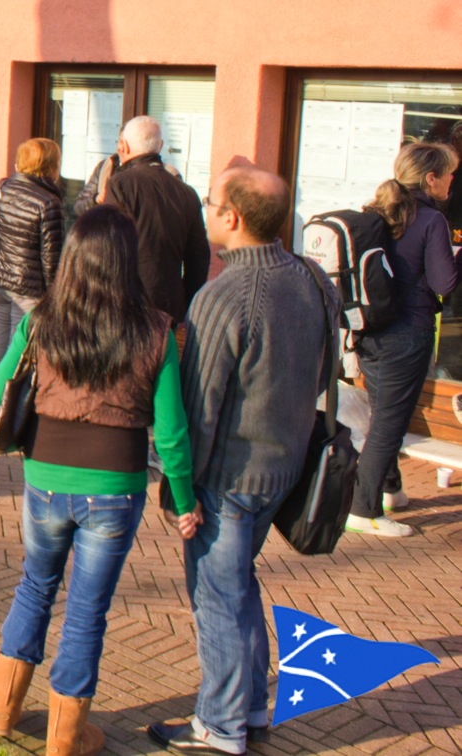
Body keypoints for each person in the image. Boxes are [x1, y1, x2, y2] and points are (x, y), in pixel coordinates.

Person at [0, 205, 194, 756]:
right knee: (85, 610)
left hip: (45, 476)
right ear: (127, 262)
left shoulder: (42, 321)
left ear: (72, 257)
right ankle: (65, 737)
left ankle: (0, 712)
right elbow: (171, 433)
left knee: (35, 585)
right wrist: (184, 500)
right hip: (115, 487)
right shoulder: (156, 331)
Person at [146, 164, 337, 756]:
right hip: (284, 470)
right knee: (238, 586)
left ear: (231, 217)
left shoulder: (221, 296)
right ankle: (250, 708)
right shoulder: (312, 280)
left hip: (227, 480)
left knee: (218, 599)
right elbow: (324, 372)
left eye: (210, 202)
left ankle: (220, 725)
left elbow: (199, 407)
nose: (205, 211)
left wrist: (179, 491)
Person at [346, 142, 462, 537]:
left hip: (370, 331)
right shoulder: (431, 220)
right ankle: (363, 510)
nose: (452, 180)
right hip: (408, 334)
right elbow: (445, 283)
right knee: (389, 425)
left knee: (384, 415)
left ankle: (390, 490)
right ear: (431, 178)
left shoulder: (380, 211)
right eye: (449, 173)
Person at [0, 138, 66, 420]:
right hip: (27, 289)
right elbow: (51, 259)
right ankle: (9, 419)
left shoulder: (3, 188)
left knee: (0, 349)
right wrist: (54, 297)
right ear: (51, 165)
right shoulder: (49, 203)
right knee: (19, 356)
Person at [97, 116, 211, 326]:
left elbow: (107, 248)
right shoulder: (187, 192)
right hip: (169, 308)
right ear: (160, 146)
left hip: (126, 304)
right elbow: (199, 259)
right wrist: (186, 305)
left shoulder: (120, 185)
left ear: (125, 146)